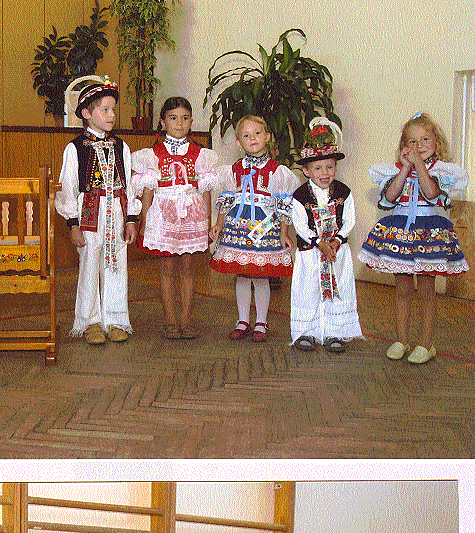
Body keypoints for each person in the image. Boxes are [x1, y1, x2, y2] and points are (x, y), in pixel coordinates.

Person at [358, 112, 469, 363]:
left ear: (437, 142)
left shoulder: (440, 171)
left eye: (425, 139)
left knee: (427, 290)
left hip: (428, 235)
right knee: (403, 289)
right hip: (401, 235)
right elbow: (389, 199)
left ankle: (426, 344)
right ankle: (401, 340)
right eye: (412, 141)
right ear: (404, 146)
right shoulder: (396, 170)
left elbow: (431, 193)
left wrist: (418, 165)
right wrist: (406, 166)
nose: (419, 145)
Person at [54, 76, 141, 344]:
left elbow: (129, 184)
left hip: (117, 211)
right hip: (89, 213)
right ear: (86, 113)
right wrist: (73, 223)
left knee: (116, 263)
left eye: (113, 109)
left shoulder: (121, 146)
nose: (111, 115)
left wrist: (131, 218)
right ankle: (89, 321)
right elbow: (68, 186)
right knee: (90, 263)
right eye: (104, 110)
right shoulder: (75, 148)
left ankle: (115, 319)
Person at [131, 97, 217, 339]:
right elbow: (148, 191)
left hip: (192, 216)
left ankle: (186, 320)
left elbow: (206, 191)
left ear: (191, 121)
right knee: (167, 268)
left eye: (185, 118)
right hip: (164, 216)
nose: (179, 123)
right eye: (173, 118)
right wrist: (145, 221)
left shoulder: (200, 154)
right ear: (163, 122)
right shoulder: (153, 154)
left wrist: (208, 223)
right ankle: (170, 321)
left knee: (188, 269)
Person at [209, 115, 298, 343]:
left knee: (260, 276)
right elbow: (227, 199)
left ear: (267, 137)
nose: (253, 138)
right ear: (239, 142)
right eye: (246, 135)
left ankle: (261, 321)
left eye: (257, 133)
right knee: (241, 275)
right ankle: (242, 320)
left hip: (264, 228)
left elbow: (283, 204)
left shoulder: (277, 171)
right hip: (238, 228)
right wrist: (219, 224)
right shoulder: (234, 170)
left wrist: (284, 232)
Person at [289, 118, 363, 352]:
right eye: (318, 168)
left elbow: (349, 219)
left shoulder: (344, 192)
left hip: (336, 253)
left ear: (336, 167)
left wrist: (338, 240)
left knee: (337, 290)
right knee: (308, 290)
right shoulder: (300, 196)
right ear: (306, 170)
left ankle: (335, 331)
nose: (325, 173)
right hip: (310, 254)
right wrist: (318, 242)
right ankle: (307, 331)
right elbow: (300, 225)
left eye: (329, 167)